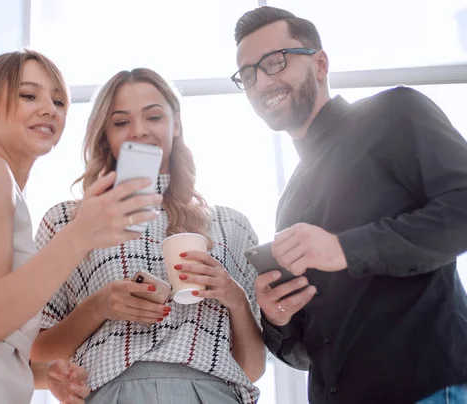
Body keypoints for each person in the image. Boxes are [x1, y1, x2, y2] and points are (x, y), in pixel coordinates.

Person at [231, 6, 467, 404]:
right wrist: (278, 318)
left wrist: (343, 249)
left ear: (320, 64)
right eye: (249, 74)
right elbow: (307, 350)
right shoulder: (288, 204)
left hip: (426, 386)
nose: (262, 81)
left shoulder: (396, 113)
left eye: (275, 62)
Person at [0, 50, 160, 404]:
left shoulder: (1, 189)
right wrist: (81, 234)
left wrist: (43, 375)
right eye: (28, 95)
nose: (50, 109)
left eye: (59, 101)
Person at [30, 68, 266, 404]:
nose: (139, 131)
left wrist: (233, 296)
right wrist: (100, 306)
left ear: (177, 125)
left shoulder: (231, 225)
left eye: (153, 116)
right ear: (105, 136)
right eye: (121, 122)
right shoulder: (68, 221)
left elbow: (252, 369)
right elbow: (37, 353)